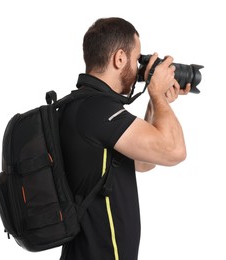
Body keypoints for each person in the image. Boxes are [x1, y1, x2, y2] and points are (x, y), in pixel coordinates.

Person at [59, 17, 191, 260]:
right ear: (119, 58)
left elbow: (144, 161)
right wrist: (158, 96)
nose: (140, 68)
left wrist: (155, 100)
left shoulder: (85, 106)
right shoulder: (98, 110)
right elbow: (174, 151)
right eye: (137, 57)